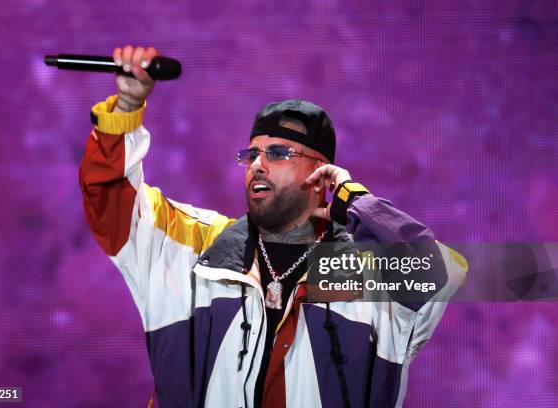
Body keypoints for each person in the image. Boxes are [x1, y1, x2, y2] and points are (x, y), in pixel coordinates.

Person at [79, 45, 468, 408]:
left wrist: (355, 203)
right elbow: (112, 201)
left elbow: (437, 271)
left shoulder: (371, 276)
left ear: (322, 172)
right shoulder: (192, 245)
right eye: (252, 154)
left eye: (278, 153)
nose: (257, 165)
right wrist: (127, 107)